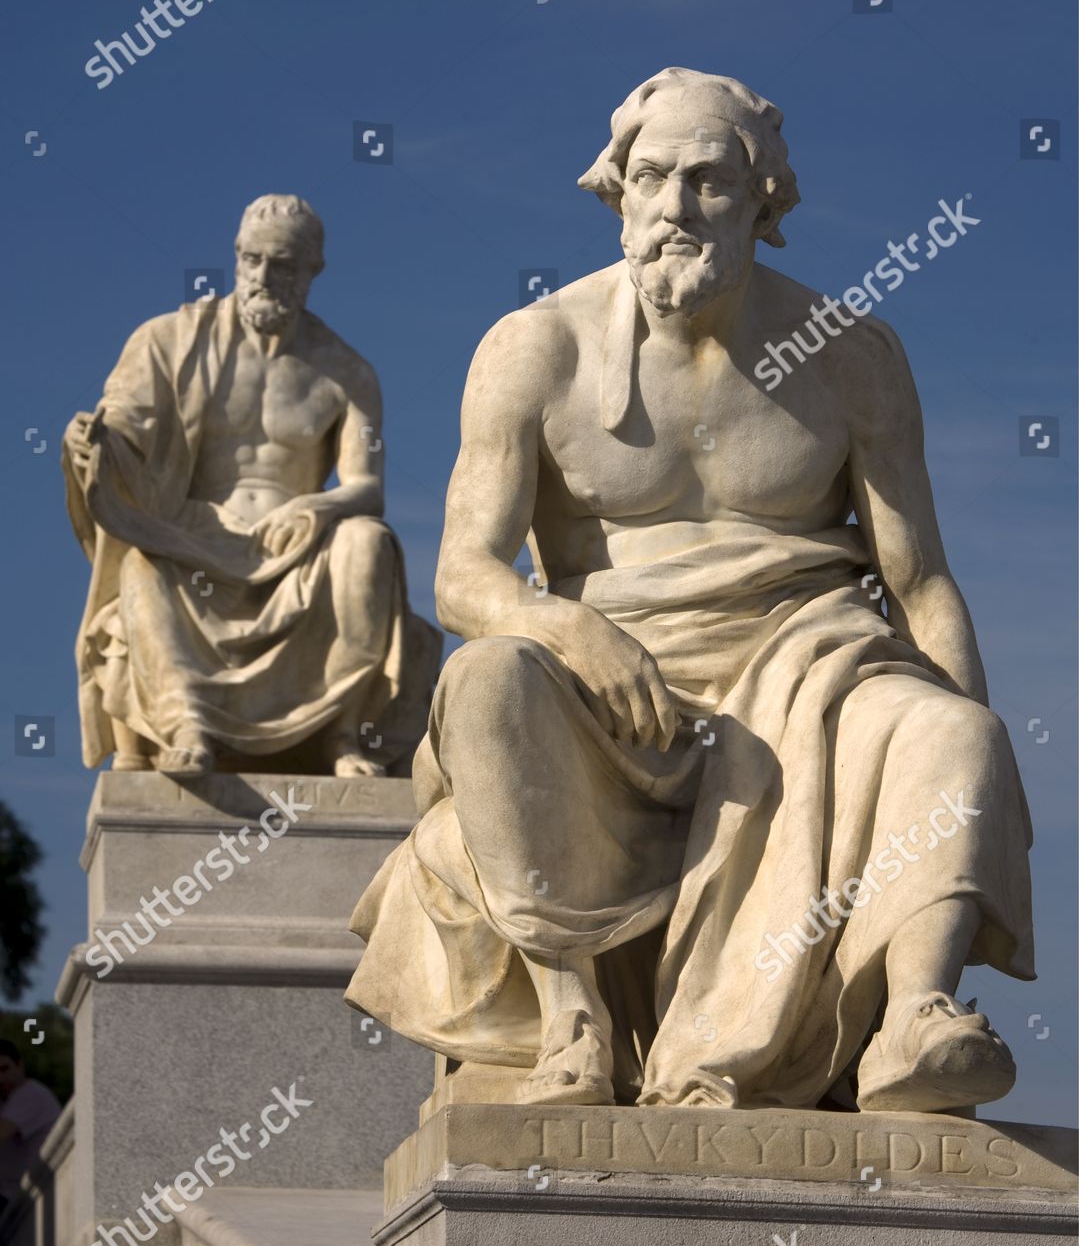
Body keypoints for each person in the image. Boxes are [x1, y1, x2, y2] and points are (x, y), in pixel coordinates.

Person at [346, 69, 1034, 1114]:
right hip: (602, 689)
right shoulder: (535, 349)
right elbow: (463, 576)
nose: (674, 207)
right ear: (616, 188)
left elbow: (919, 578)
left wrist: (961, 727)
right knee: (485, 680)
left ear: (764, 200)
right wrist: (563, 627)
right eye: (652, 177)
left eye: (709, 181)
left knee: (956, 735)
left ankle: (913, 1020)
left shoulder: (852, 359)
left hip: (807, 662)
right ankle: (573, 1023)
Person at [63, 194, 439, 777]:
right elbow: (125, 427)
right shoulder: (170, 341)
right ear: (237, 258)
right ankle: (186, 723)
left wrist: (320, 504)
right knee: (144, 565)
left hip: (296, 544)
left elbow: (366, 487)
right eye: (251, 259)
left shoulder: (347, 371)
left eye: (283, 264)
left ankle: (343, 734)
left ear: (311, 270)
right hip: (195, 535)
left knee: (368, 544)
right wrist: (93, 442)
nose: (263, 277)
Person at [0, 1040, 61, 1208]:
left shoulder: (31, 1093)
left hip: (32, 1199)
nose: (1, 1078)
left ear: (20, 1065)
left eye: (5, 1069)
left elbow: (2, 1131)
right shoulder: (6, 1101)